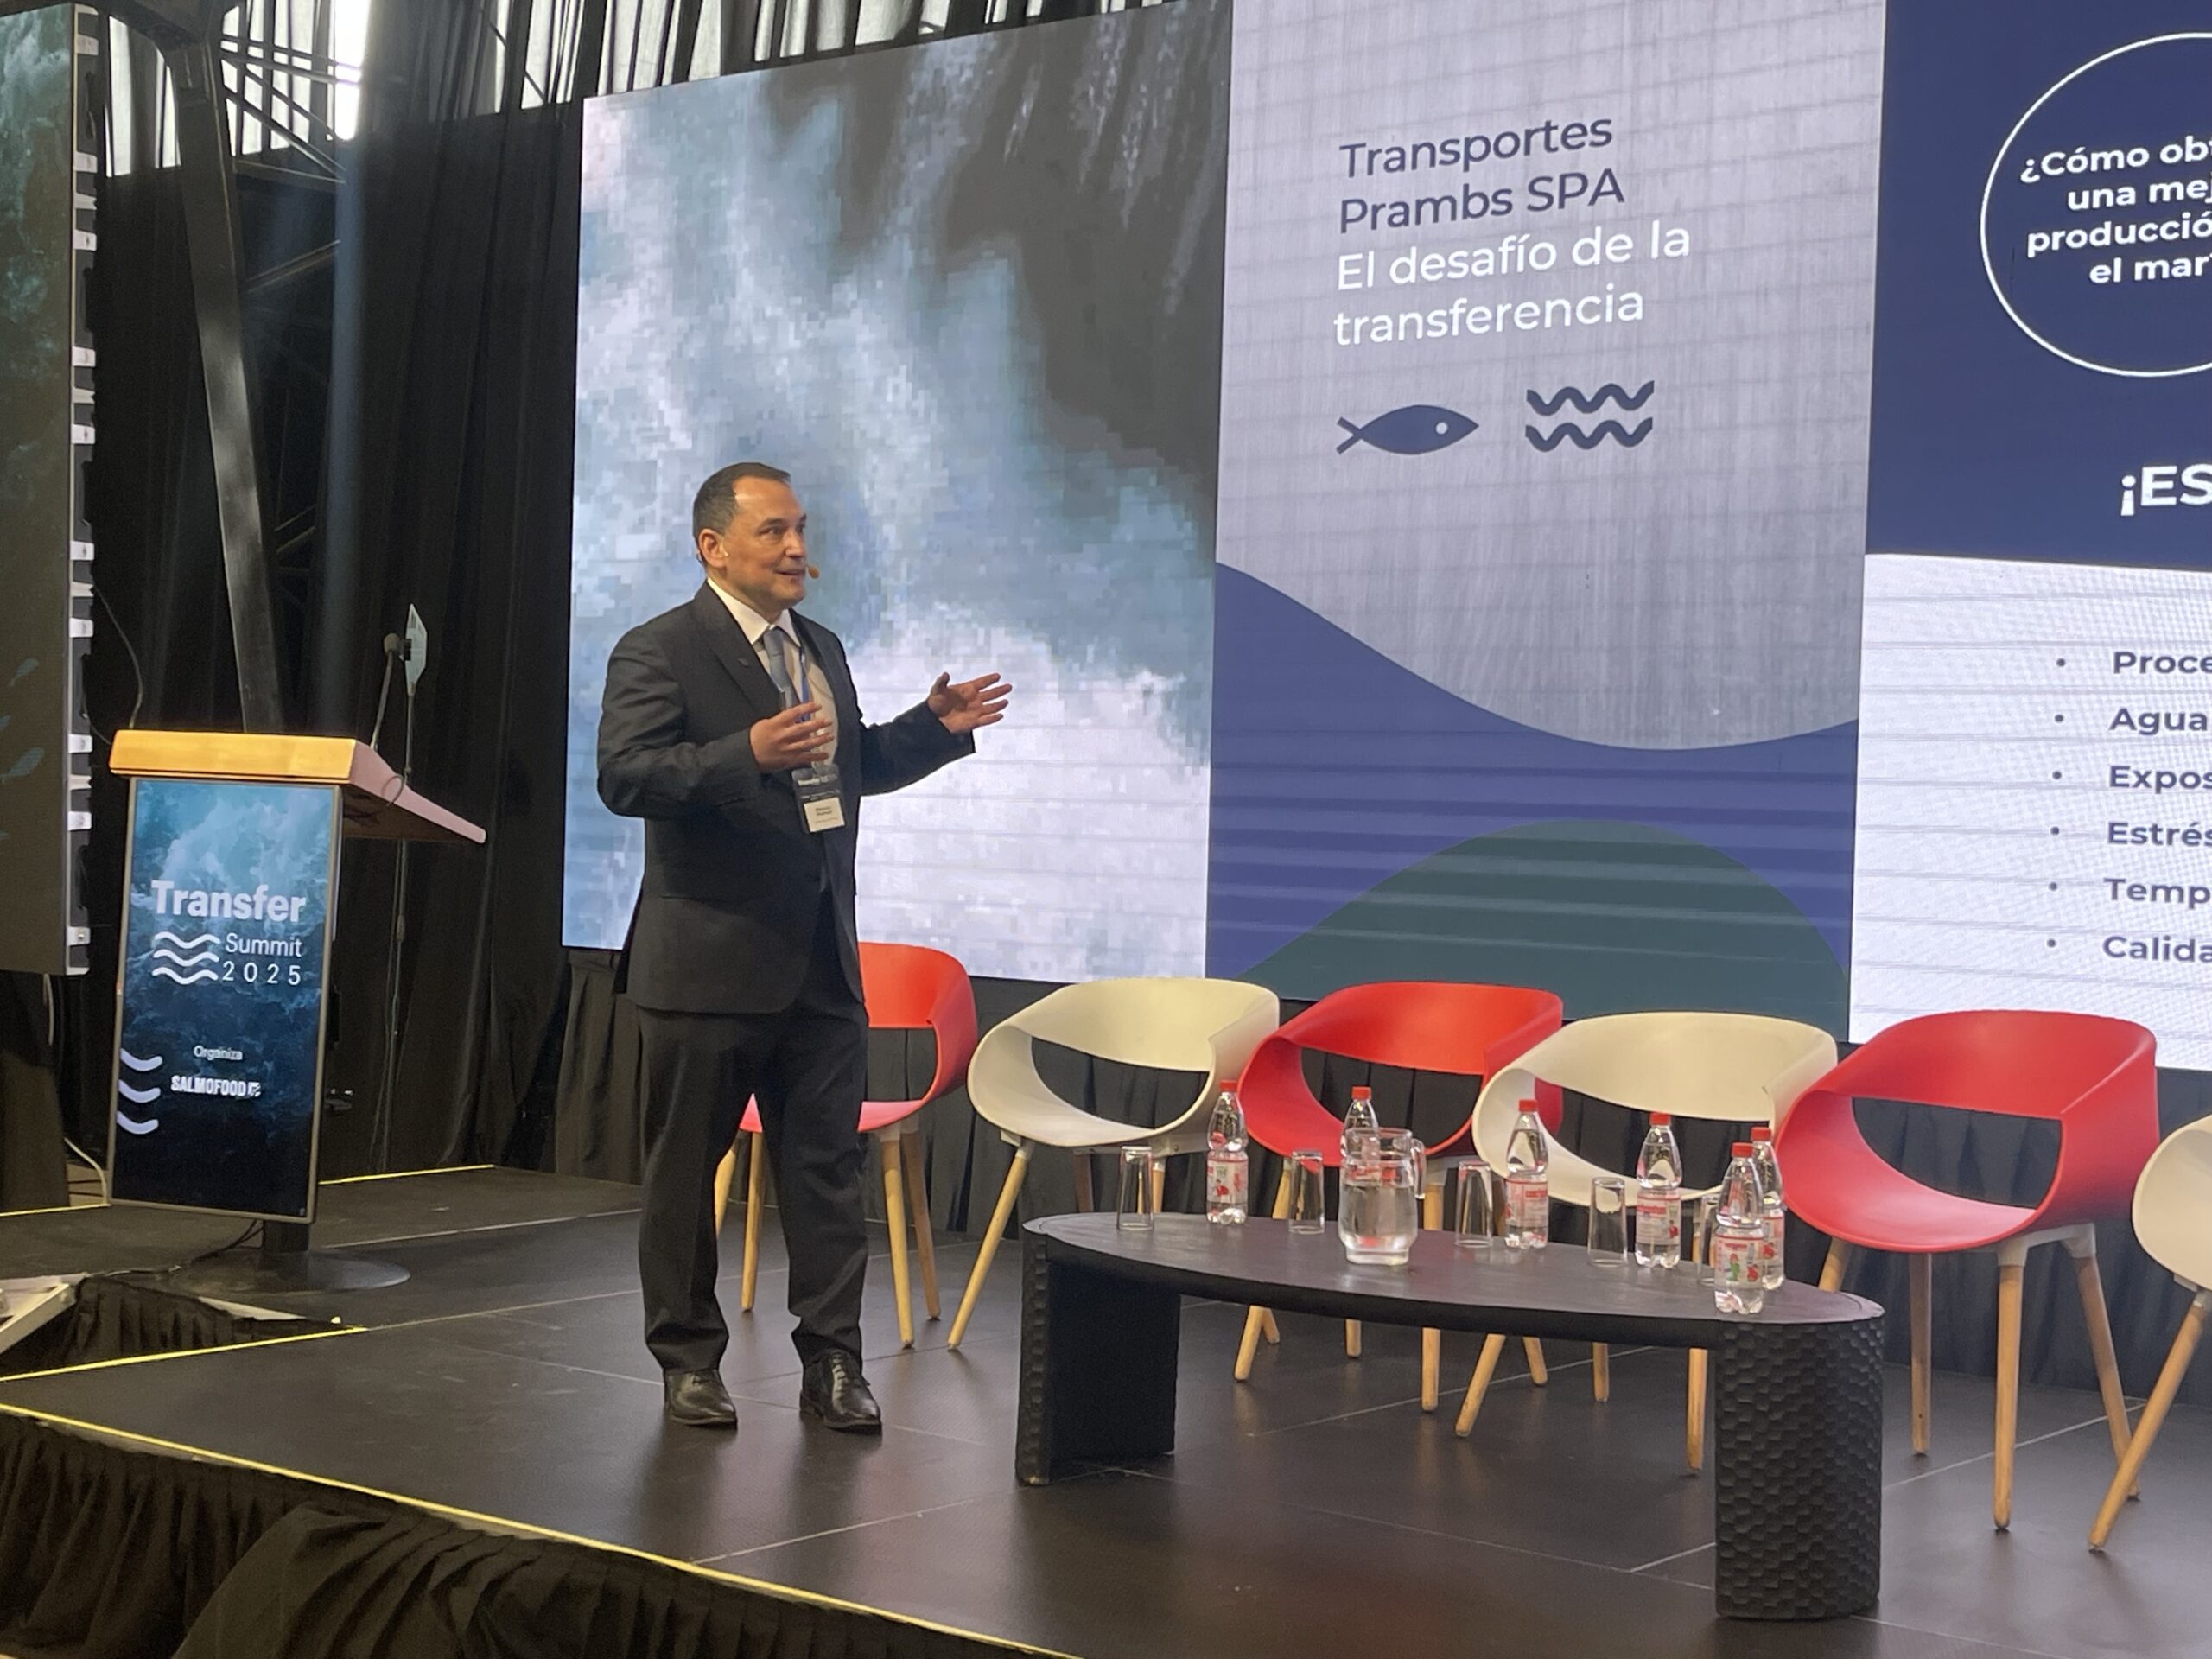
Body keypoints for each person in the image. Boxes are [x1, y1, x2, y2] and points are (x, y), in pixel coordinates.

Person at [597, 461, 1009, 1433]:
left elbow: (846, 766)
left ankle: (833, 1365)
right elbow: (627, 776)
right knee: (683, 1179)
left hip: (821, 963)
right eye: (774, 532)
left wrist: (931, 731)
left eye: (801, 530)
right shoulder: (660, 648)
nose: (797, 550)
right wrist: (742, 753)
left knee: (826, 1177)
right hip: (706, 965)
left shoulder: (818, 646)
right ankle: (687, 1362)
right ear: (713, 547)